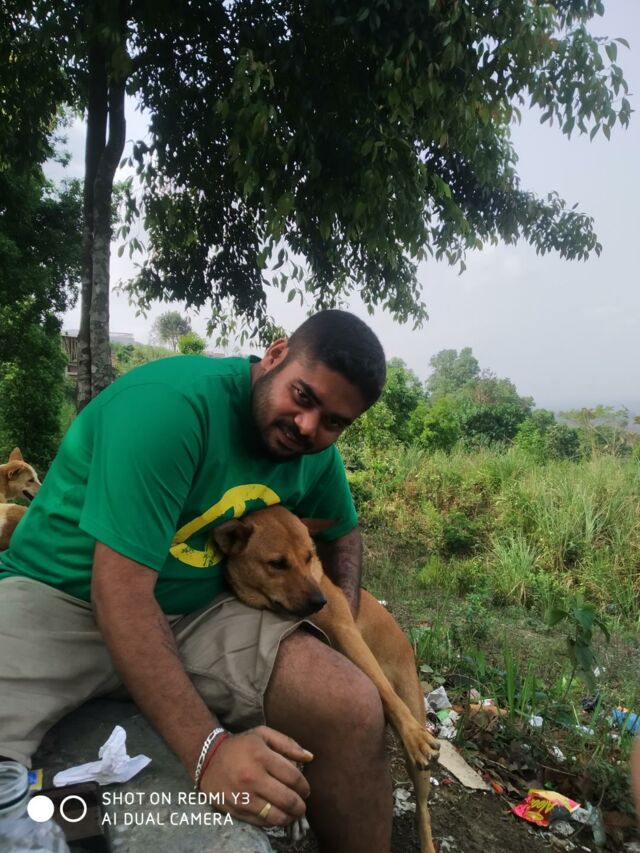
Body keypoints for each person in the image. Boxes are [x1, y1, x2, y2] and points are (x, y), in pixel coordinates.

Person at [0, 309, 391, 853]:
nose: (308, 426)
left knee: (352, 706)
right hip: (59, 596)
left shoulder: (312, 453)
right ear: (276, 355)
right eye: (303, 396)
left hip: (198, 611)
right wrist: (210, 751)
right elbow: (120, 592)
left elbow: (343, 534)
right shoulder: (170, 407)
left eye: (333, 422)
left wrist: (338, 628)